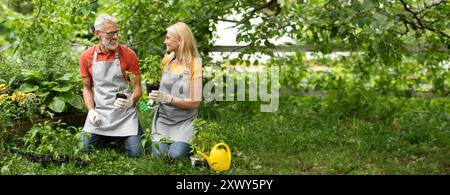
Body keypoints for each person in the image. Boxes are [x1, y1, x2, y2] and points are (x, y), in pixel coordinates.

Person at [78, 13, 143, 157]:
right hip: (100, 114)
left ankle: (125, 134)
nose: (115, 37)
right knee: (82, 149)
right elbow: (87, 88)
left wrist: (131, 101)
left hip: (124, 114)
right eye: (110, 33)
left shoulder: (129, 55)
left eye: (116, 32)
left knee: (136, 153)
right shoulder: (86, 57)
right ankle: (112, 136)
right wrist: (91, 111)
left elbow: (138, 88)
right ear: (97, 34)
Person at [149, 22, 202, 159]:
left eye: (168, 38)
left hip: (184, 121)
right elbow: (160, 88)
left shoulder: (194, 64)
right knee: (159, 155)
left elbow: (195, 102)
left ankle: (189, 142)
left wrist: (168, 99)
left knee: (176, 155)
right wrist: (153, 101)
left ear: (180, 40)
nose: (164, 41)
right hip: (163, 119)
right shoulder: (167, 60)